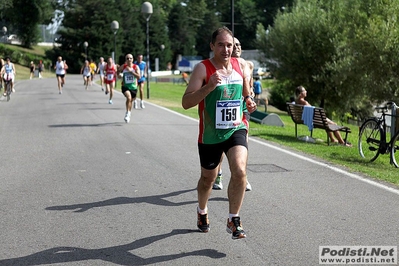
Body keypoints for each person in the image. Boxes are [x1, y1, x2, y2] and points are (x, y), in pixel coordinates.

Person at [182, 27, 257, 239]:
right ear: (212, 46)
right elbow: (186, 102)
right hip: (210, 135)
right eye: (221, 45)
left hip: (236, 127)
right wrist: (208, 87)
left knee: (240, 170)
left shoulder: (239, 66)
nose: (226, 49)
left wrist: (249, 102)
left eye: (230, 45)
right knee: (208, 178)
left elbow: (245, 96)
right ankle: (202, 210)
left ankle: (234, 219)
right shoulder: (202, 69)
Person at [213, 37, 253, 192]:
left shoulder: (248, 64)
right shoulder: (225, 65)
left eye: (238, 44)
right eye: (233, 44)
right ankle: (219, 174)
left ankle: (242, 176)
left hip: (242, 109)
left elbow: (249, 83)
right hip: (225, 108)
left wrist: (250, 96)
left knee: (243, 144)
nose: (236, 47)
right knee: (222, 145)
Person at [119, 54, 141, 123]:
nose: (129, 60)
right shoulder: (123, 66)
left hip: (133, 87)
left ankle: (129, 112)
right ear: (126, 59)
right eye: (127, 58)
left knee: (131, 100)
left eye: (130, 58)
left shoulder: (135, 67)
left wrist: (131, 72)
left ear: (133, 59)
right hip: (125, 87)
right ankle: (127, 113)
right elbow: (118, 71)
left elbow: (139, 77)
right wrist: (119, 75)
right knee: (128, 97)